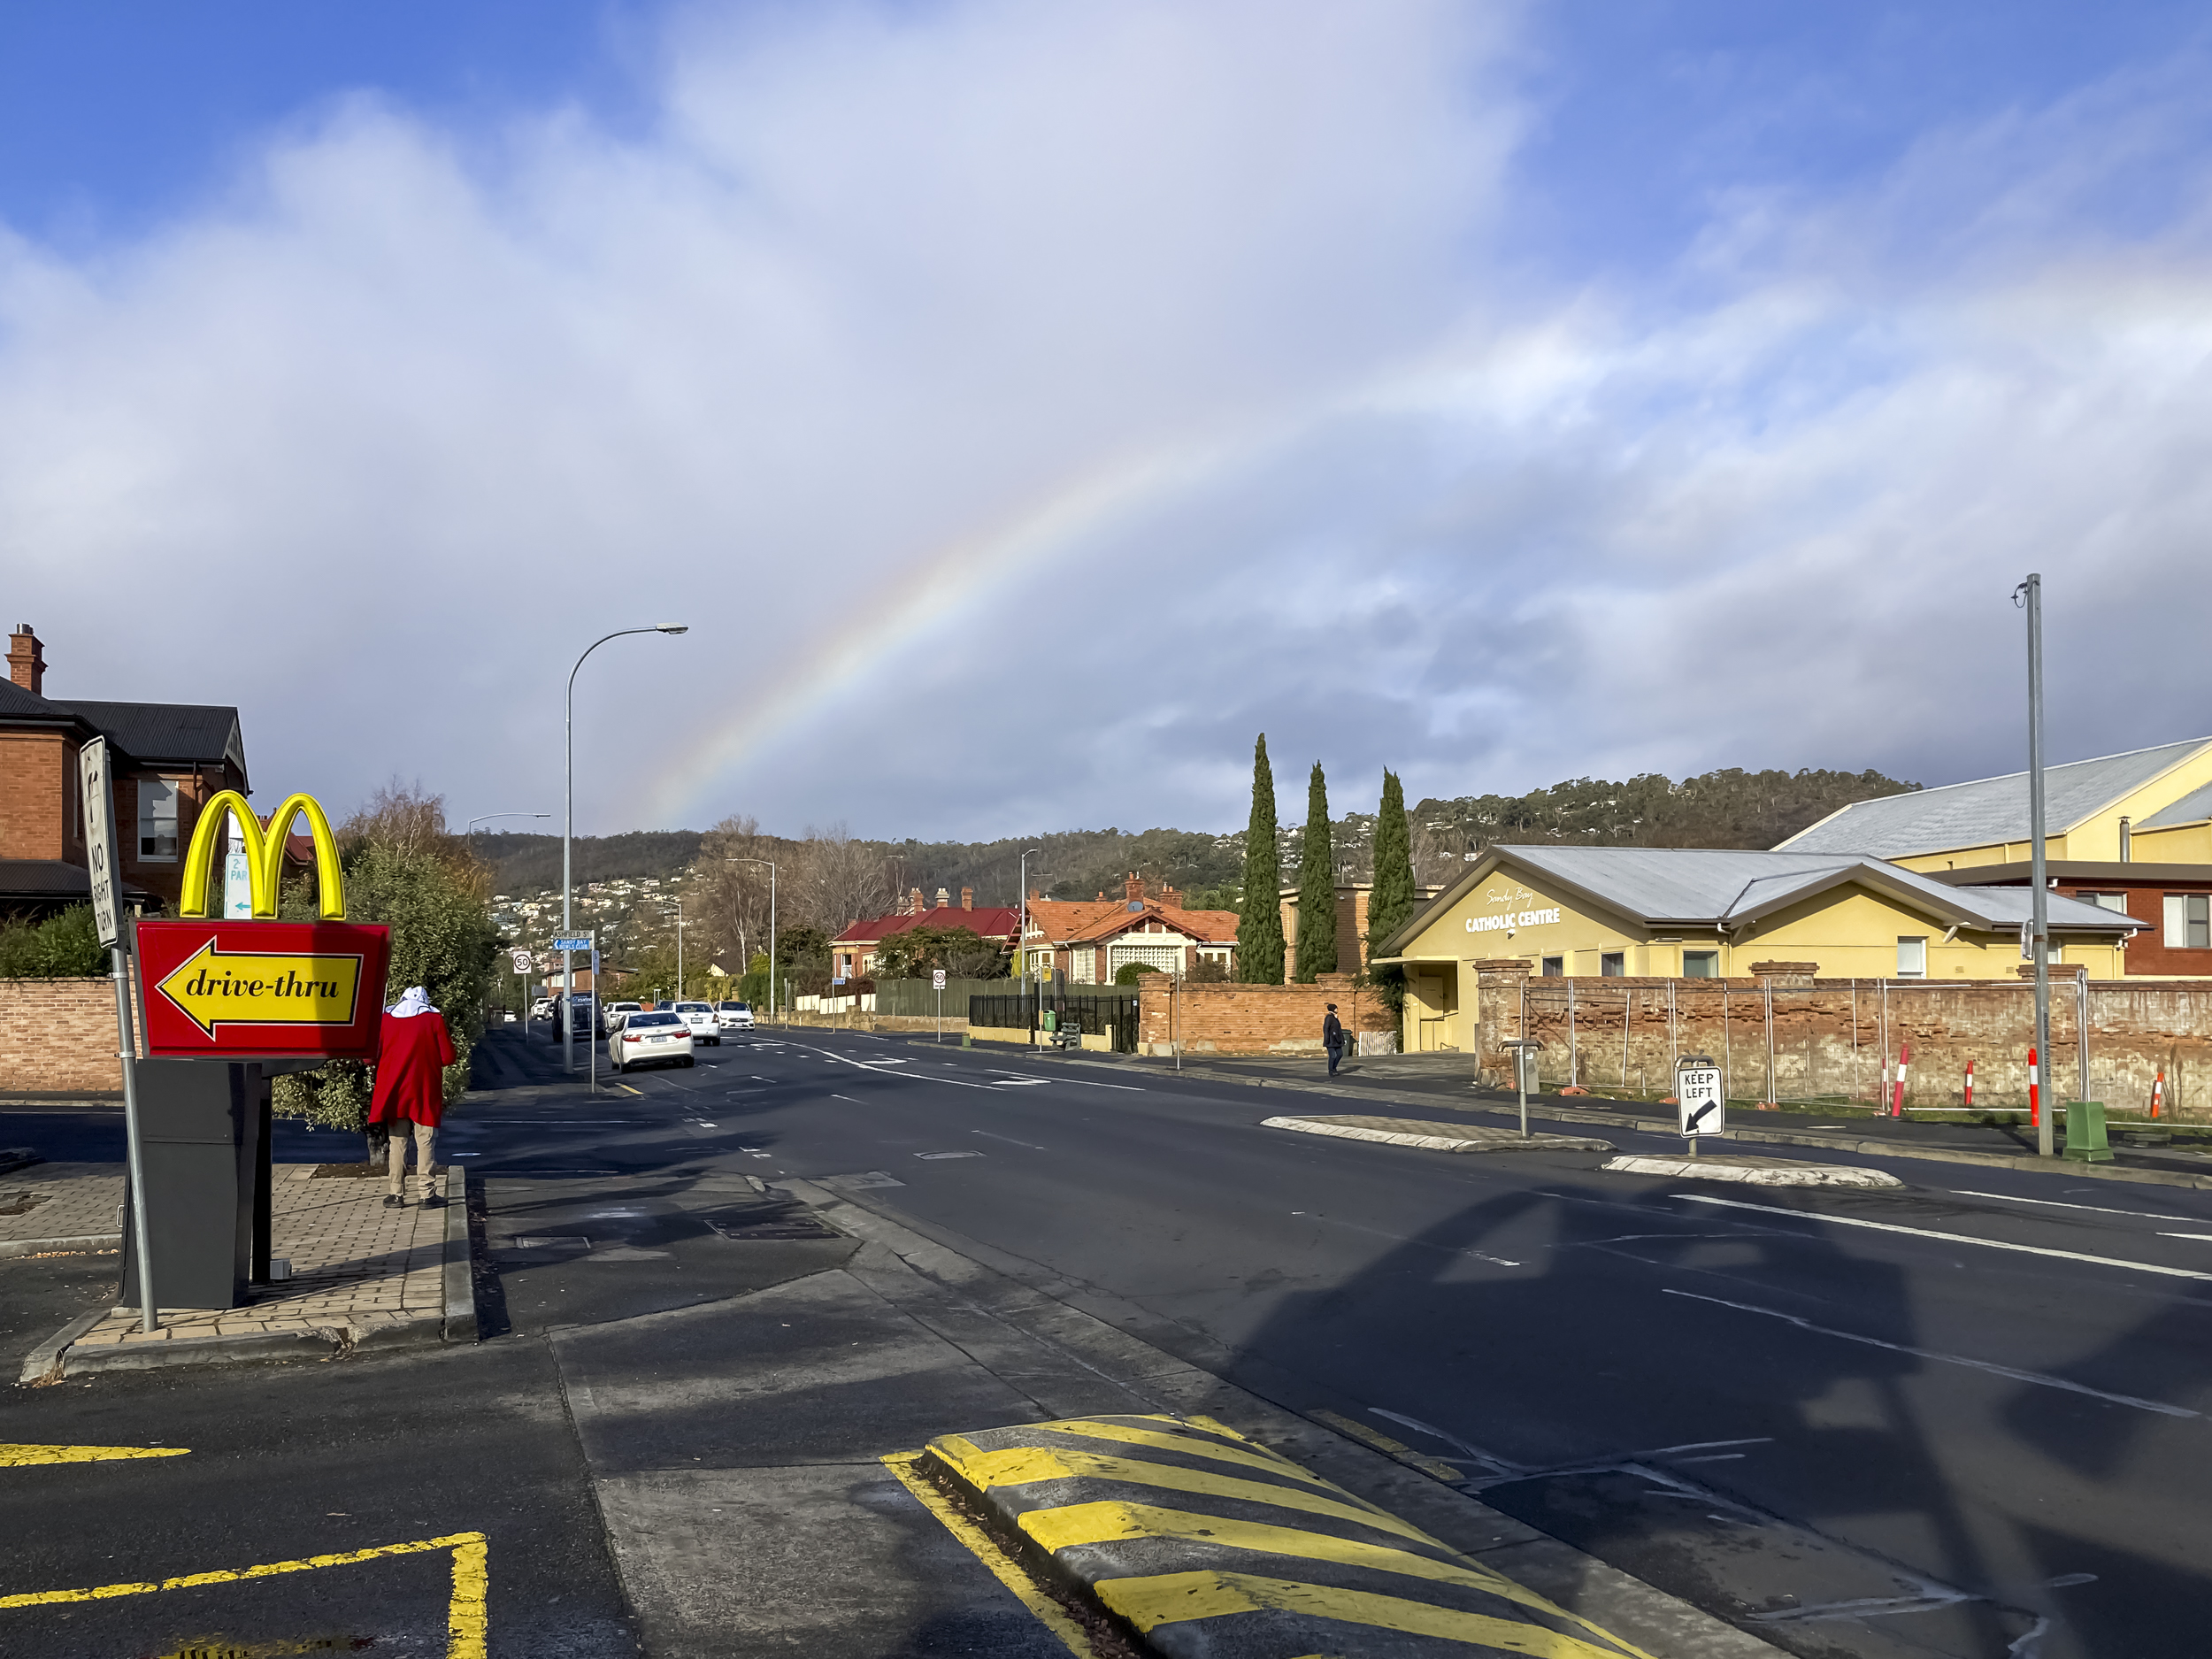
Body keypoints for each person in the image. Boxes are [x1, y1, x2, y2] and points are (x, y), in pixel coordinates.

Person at [369, 985, 457, 1209]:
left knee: (397, 1142)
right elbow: (447, 1057)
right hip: (424, 1089)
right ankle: (426, 1194)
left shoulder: (387, 1019)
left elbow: (370, 1057)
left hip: (395, 1091)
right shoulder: (434, 1020)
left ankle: (395, 1193)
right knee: (425, 1141)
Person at [1323, 1002, 1346, 1077]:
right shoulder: (1329, 1017)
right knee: (1332, 1056)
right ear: (1333, 1009)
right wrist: (1327, 1040)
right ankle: (1331, 1070)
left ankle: (1334, 1068)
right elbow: (1326, 1029)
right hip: (1331, 1040)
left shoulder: (1334, 1018)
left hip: (1337, 1040)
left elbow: (1338, 1029)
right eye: (1336, 1008)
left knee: (1340, 1054)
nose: (1337, 1009)